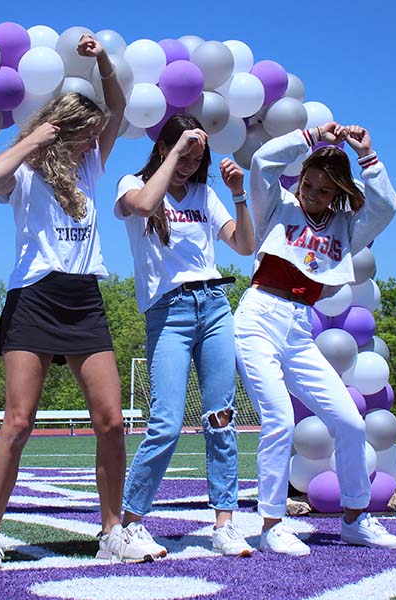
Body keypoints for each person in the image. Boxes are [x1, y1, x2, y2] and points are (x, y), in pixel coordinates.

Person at [0, 34, 138, 570]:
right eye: (84, 135)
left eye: (95, 137)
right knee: (18, 422)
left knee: (111, 422)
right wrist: (34, 138)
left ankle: (112, 529)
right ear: (62, 130)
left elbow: (117, 106)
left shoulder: (90, 168)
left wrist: (103, 61)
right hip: (35, 297)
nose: (95, 142)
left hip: (83, 296)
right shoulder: (22, 172)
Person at [234, 122, 396, 556]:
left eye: (323, 191)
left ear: (337, 193)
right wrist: (309, 138)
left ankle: (356, 519)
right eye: (308, 184)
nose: (312, 194)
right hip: (258, 316)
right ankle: (272, 523)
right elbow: (262, 162)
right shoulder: (278, 204)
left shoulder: (347, 227)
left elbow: (385, 206)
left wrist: (368, 155)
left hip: (299, 326)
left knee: (349, 421)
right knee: (279, 420)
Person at [114, 113, 256, 557]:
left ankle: (225, 523)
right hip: (168, 311)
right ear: (163, 148)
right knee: (166, 422)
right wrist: (175, 152)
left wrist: (238, 195)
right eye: (184, 154)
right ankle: (131, 522)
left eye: (198, 158)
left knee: (221, 418)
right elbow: (140, 206)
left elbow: (245, 245)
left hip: (214, 306)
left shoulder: (204, 193)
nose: (191, 164)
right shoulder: (130, 184)